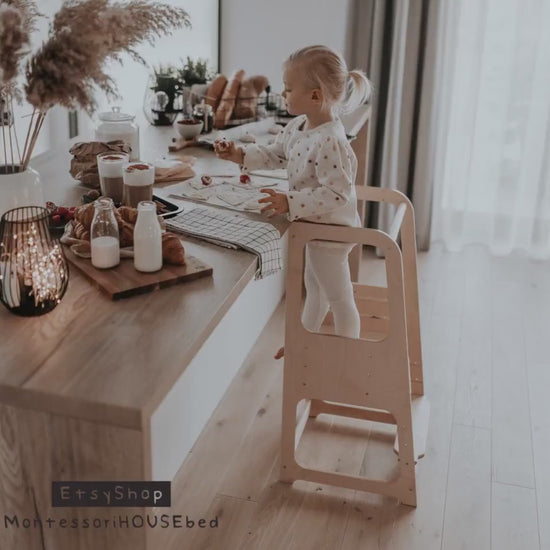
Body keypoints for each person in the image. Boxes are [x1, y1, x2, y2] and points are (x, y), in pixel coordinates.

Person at [214, 45, 372, 359]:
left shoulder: (332, 141)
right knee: (315, 290)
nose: (283, 95)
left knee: (339, 297)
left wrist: (290, 201)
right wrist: (239, 155)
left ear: (315, 96)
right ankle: (305, 344)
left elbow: (337, 194)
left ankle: (346, 359)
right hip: (315, 229)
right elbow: (275, 154)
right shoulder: (298, 127)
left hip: (332, 233)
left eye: (288, 89)